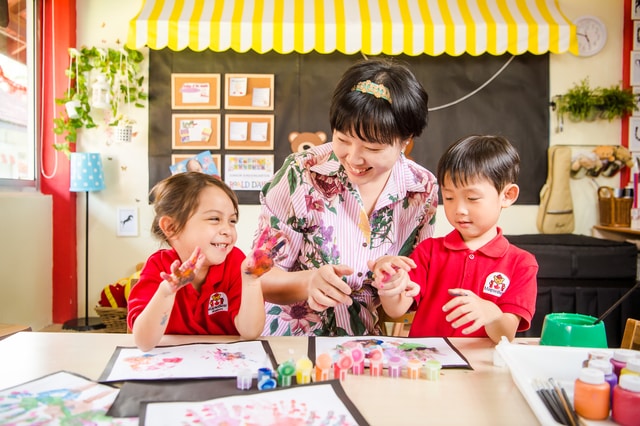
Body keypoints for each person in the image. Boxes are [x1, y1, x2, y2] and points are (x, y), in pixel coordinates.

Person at [254, 58, 439, 336]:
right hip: (291, 341)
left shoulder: (421, 189)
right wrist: (308, 282)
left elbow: (408, 297)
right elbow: (258, 276)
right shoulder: (301, 173)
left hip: (364, 345)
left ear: (405, 140)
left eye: (372, 148)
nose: (353, 158)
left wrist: (394, 285)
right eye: (343, 139)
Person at [369, 135, 538, 343]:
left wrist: (491, 314)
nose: (459, 209)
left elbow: (506, 334)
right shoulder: (429, 251)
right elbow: (396, 309)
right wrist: (389, 285)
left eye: (472, 198)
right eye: (449, 197)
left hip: (480, 369)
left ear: (507, 195)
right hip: (428, 362)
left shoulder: (521, 264)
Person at [127, 172, 266, 351]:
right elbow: (144, 343)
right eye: (215, 219)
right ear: (171, 227)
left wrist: (252, 281)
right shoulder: (159, 266)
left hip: (223, 364)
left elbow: (250, 333)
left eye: (232, 221)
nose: (227, 230)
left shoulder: (235, 262)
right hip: (173, 368)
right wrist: (166, 292)